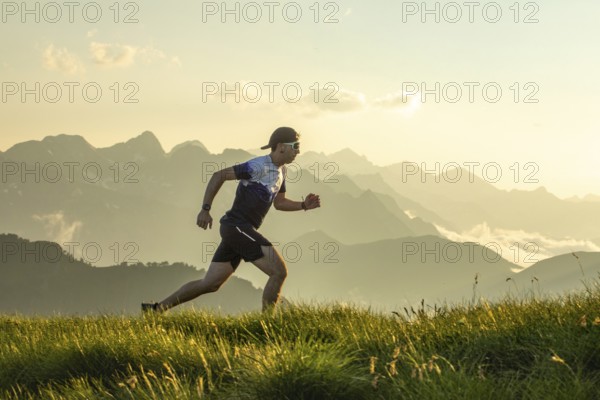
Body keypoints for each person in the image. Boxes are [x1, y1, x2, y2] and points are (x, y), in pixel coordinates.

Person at [142, 127, 321, 313]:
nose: (298, 151)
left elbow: (280, 203)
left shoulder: (281, 171)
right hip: (237, 227)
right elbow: (219, 175)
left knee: (211, 283)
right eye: (296, 146)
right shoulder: (259, 166)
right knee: (279, 272)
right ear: (282, 147)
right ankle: (267, 326)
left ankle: (155, 309)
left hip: (238, 230)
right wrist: (205, 209)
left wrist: (303, 205)